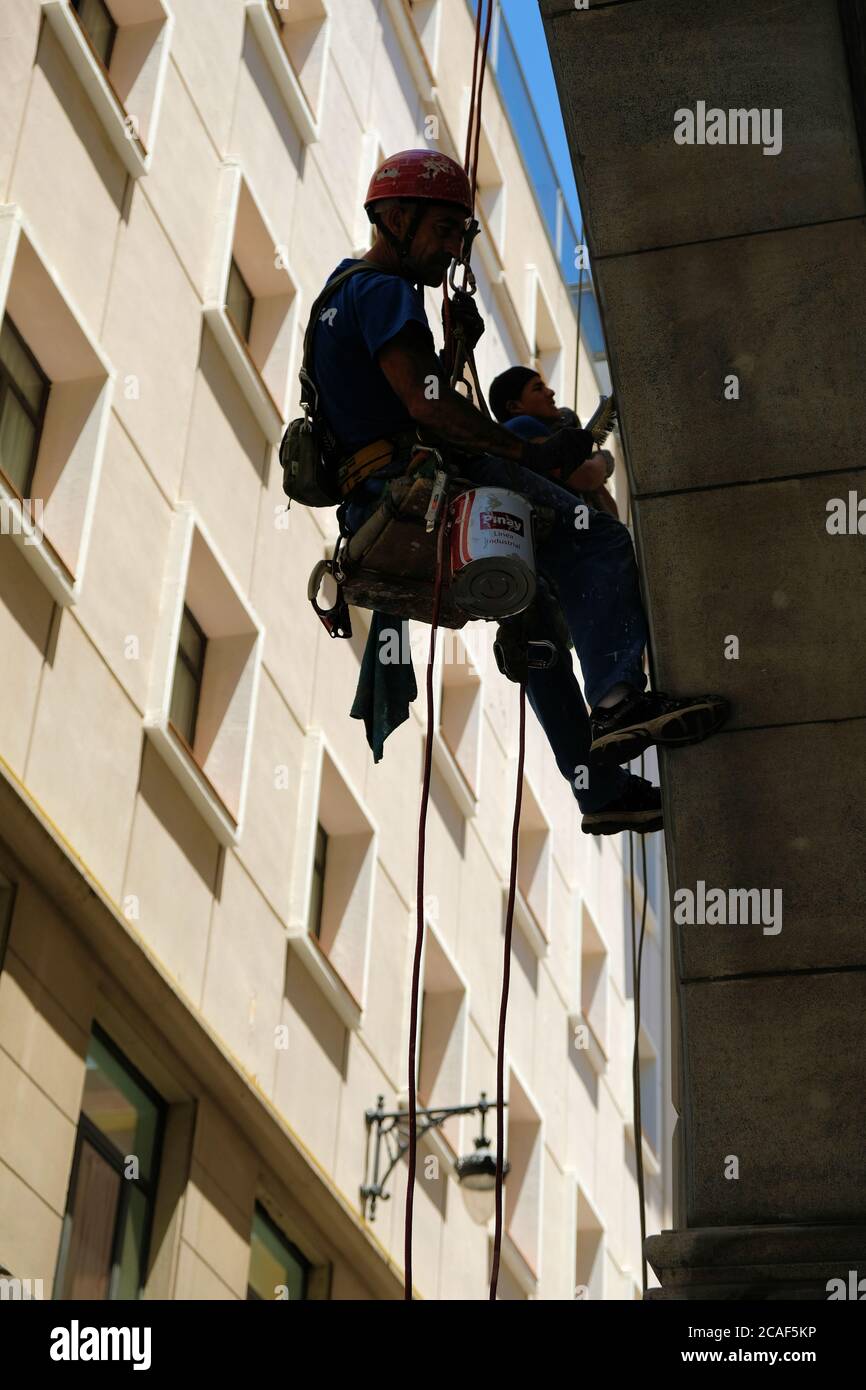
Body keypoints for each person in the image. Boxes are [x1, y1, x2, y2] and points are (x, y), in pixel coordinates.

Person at [309, 150, 729, 834]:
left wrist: (454, 346)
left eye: (458, 235)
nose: (451, 250)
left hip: (373, 507)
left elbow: (400, 396)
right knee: (597, 543)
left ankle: (599, 793)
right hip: (422, 486)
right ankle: (621, 701)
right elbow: (428, 406)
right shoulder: (385, 292)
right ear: (394, 217)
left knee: (535, 635)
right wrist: (527, 450)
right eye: (442, 231)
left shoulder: (340, 289)